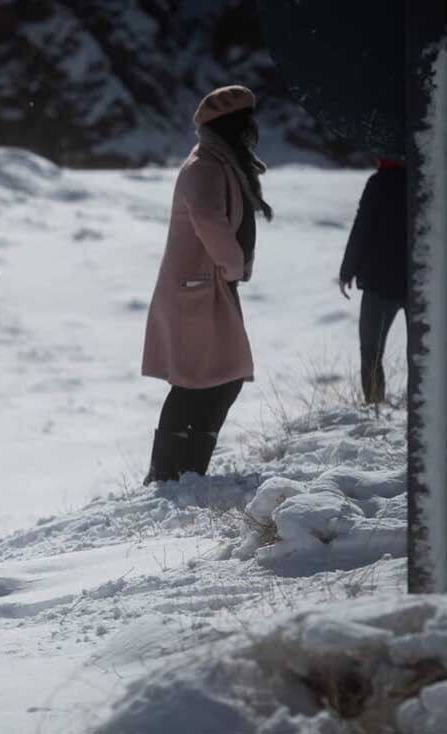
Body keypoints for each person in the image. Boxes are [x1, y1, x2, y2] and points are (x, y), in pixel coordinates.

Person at [141, 85, 274, 484]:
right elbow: (209, 222)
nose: (253, 128)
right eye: (247, 121)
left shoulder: (220, 161)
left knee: (214, 380)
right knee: (199, 381)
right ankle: (169, 474)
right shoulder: (204, 167)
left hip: (209, 288)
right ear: (232, 125)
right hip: (198, 291)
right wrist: (233, 266)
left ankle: (186, 471)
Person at [339, 158, 408, 404]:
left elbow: (362, 227)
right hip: (421, 282)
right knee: (425, 355)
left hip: (380, 283)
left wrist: (347, 271)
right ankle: (425, 413)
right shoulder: (430, 180)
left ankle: (374, 409)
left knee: (371, 353)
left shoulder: (379, 183)